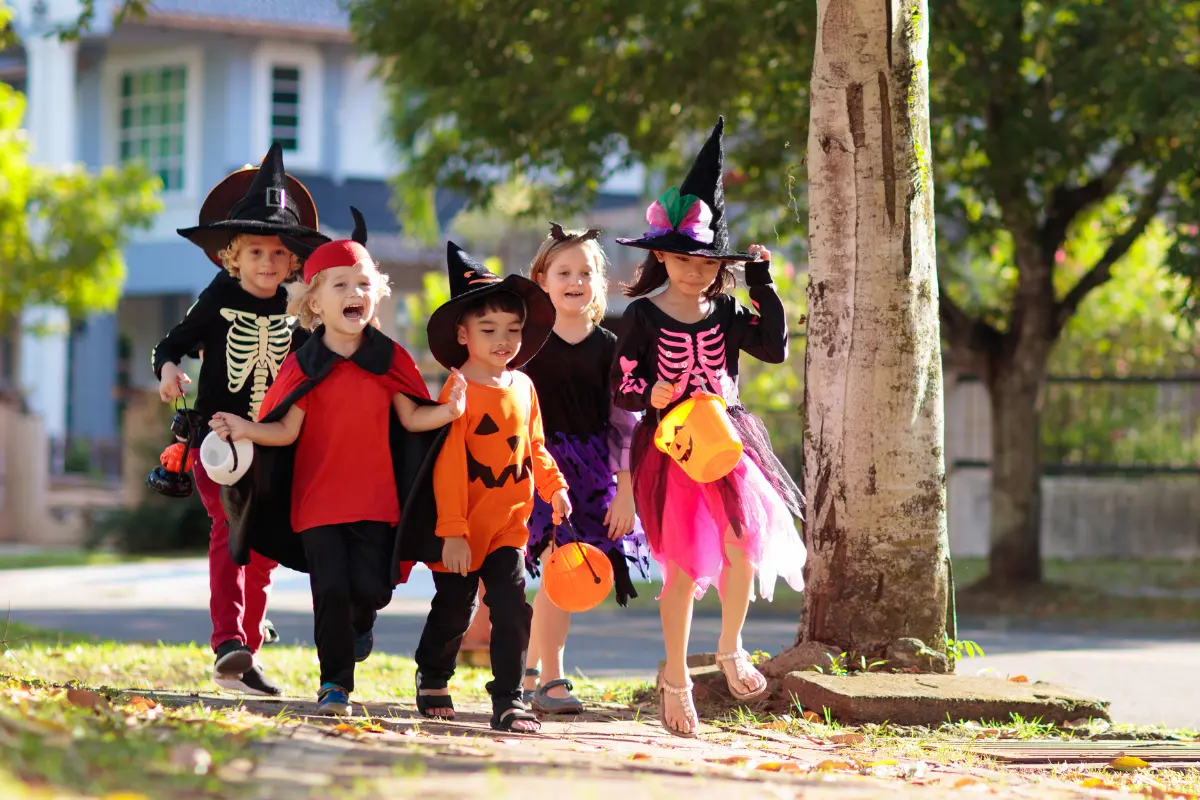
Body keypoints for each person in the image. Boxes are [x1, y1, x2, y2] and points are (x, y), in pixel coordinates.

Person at [210, 211, 466, 716]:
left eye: (364, 283)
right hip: (316, 499)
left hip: (377, 499)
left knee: (371, 587)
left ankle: (360, 624)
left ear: (376, 295)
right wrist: (244, 428)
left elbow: (411, 419)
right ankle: (334, 684)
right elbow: (284, 428)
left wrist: (449, 411)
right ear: (314, 302)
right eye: (341, 284)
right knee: (328, 589)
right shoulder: (305, 364)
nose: (355, 292)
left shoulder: (391, 359)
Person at [611, 117, 806, 737]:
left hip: (728, 441)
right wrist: (651, 390)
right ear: (661, 255)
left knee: (742, 543)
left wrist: (763, 285)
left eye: (708, 262)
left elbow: (773, 348)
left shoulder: (726, 309)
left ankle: (730, 646)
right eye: (684, 259)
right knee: (682, 570)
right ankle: (675, 675)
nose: (696, 271)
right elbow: (618, 384)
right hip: (671, 448)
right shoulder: (640, 316)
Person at [153, 142, 329, 696]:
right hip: (216, 441)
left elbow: (317, 368)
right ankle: (228, 638)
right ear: (233, 256)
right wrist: (168, 373)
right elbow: (170, 344)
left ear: (293, 262)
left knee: (265, 547)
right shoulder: (215, 298)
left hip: (276, 445)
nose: (268, 264)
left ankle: (245, 649)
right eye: (256, 253)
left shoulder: (297, 314)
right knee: (232, 529)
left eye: (279, 255)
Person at [408, 241, 570, 734]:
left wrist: (554, 485)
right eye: (489, 330)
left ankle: (509, 698)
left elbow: (534, 446)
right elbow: (451, 466)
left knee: (511, 605)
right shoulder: (457, 391)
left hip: (508, 525)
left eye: (513, 330)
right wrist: (453, 530)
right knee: (455, 608)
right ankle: (433, 676)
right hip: (461, 527)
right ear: (463, 333)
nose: (503, 339)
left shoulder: (523, 386)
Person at [519, 223, 648, 715]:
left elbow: (625, 425)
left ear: (600, 282)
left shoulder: (612, 348)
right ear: (542, 279)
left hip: (593, 476)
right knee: (559, 565)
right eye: (564, 271)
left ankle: (533, 669)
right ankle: (550, 680)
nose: (575, 280)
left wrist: (626, 492)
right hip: (539, 467)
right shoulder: (526, 346)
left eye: (586, 272)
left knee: (571, 572)